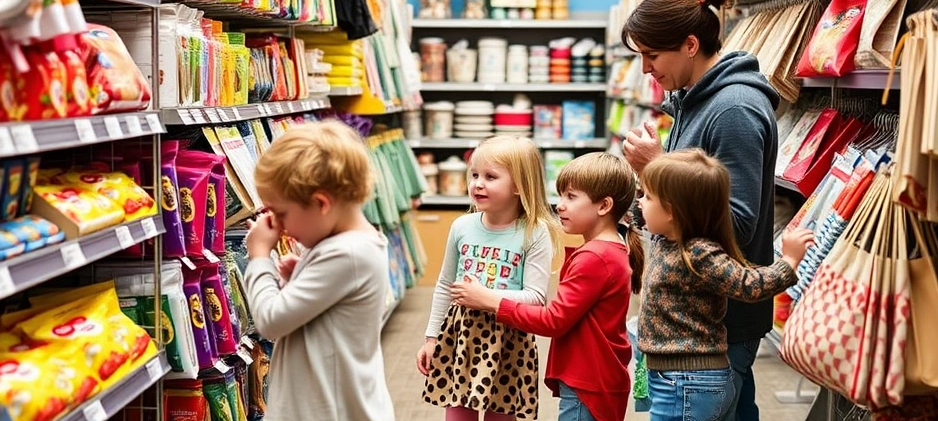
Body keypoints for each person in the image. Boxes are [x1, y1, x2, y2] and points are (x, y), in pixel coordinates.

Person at [620, 0, 780, 421]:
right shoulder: (694, 101)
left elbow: (738, 223)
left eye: (653, 55)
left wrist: (656, 167)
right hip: (697, 326)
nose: (646, 68)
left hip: (717, 330)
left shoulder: (734, 111)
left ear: (690, 45)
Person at [452, 152, 644, 421]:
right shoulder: (610, 248)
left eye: (571, 197)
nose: (560, 205)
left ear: (604, 206)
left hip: (587, 381)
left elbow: (553, 320)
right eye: (561, 195)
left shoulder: (595, 257)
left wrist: (490, 300)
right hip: (595, 378)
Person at [636, 150, 813, 421]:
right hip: (673, 378)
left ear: (671, 211)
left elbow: (749, 285)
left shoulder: (698, 253)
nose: (640, 203)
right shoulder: (666, 241)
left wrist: (788, 261)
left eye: (647, 197)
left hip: (689, 381)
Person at [242, 121, 395, 421]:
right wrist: (297, 278)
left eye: (282, 213)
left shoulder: (346, 253)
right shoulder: (344, 245)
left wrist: (259, 257)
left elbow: (271, 321)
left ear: (321, 203)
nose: (279, 226)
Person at [417, 135, 560, 421]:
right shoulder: (461, 226)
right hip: (460, 337)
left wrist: (487, 298)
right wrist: (431, 337)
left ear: (519, 185)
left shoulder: (534, 232)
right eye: (474, 175)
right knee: (457, 414)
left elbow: (536, 297)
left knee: (500, 416)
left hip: (508, 340)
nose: (477, 184)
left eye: (490, 176)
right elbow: (445, 285)